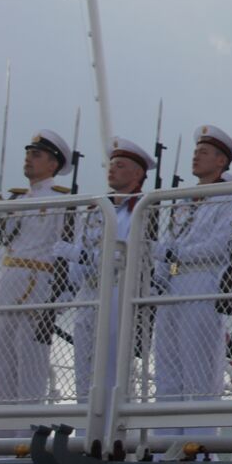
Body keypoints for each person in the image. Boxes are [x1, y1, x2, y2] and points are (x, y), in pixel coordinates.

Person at [0, 130, 72, 438]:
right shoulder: (16, 198)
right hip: (9, 285)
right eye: (28, 153)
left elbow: (69, 249)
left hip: (40, 284)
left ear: (53, 163)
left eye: (36, 155)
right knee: (2, 361)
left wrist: (60, 296)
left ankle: (27, 438)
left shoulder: (64, 200)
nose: (29, 159)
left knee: (31, 363)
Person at [151, 125, 232, 431]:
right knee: (167, 367)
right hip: (174, 284)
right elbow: (169, 241)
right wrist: (160, 275)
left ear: (220, 161)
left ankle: (199, 442)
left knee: (198, 369)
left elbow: (221, 246)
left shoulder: (226, 198)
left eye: (203, 152)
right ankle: (166, 442)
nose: (196, 157)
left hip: (202, 281)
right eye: (196, 151)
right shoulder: (186, 200)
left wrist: (174, 254)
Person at [54, 136, 151, 424]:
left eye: (120, 166)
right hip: (89, 293)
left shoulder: (142, 211)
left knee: (111, 367)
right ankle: (87, 431)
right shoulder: (98, 209)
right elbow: (81, 258)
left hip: (118, 292)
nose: (113, 170)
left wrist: (80, 255)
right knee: (84, 367)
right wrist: (64, 292)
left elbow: (125, 256)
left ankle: (111, 430)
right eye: (111, 165)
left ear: (137, 175)